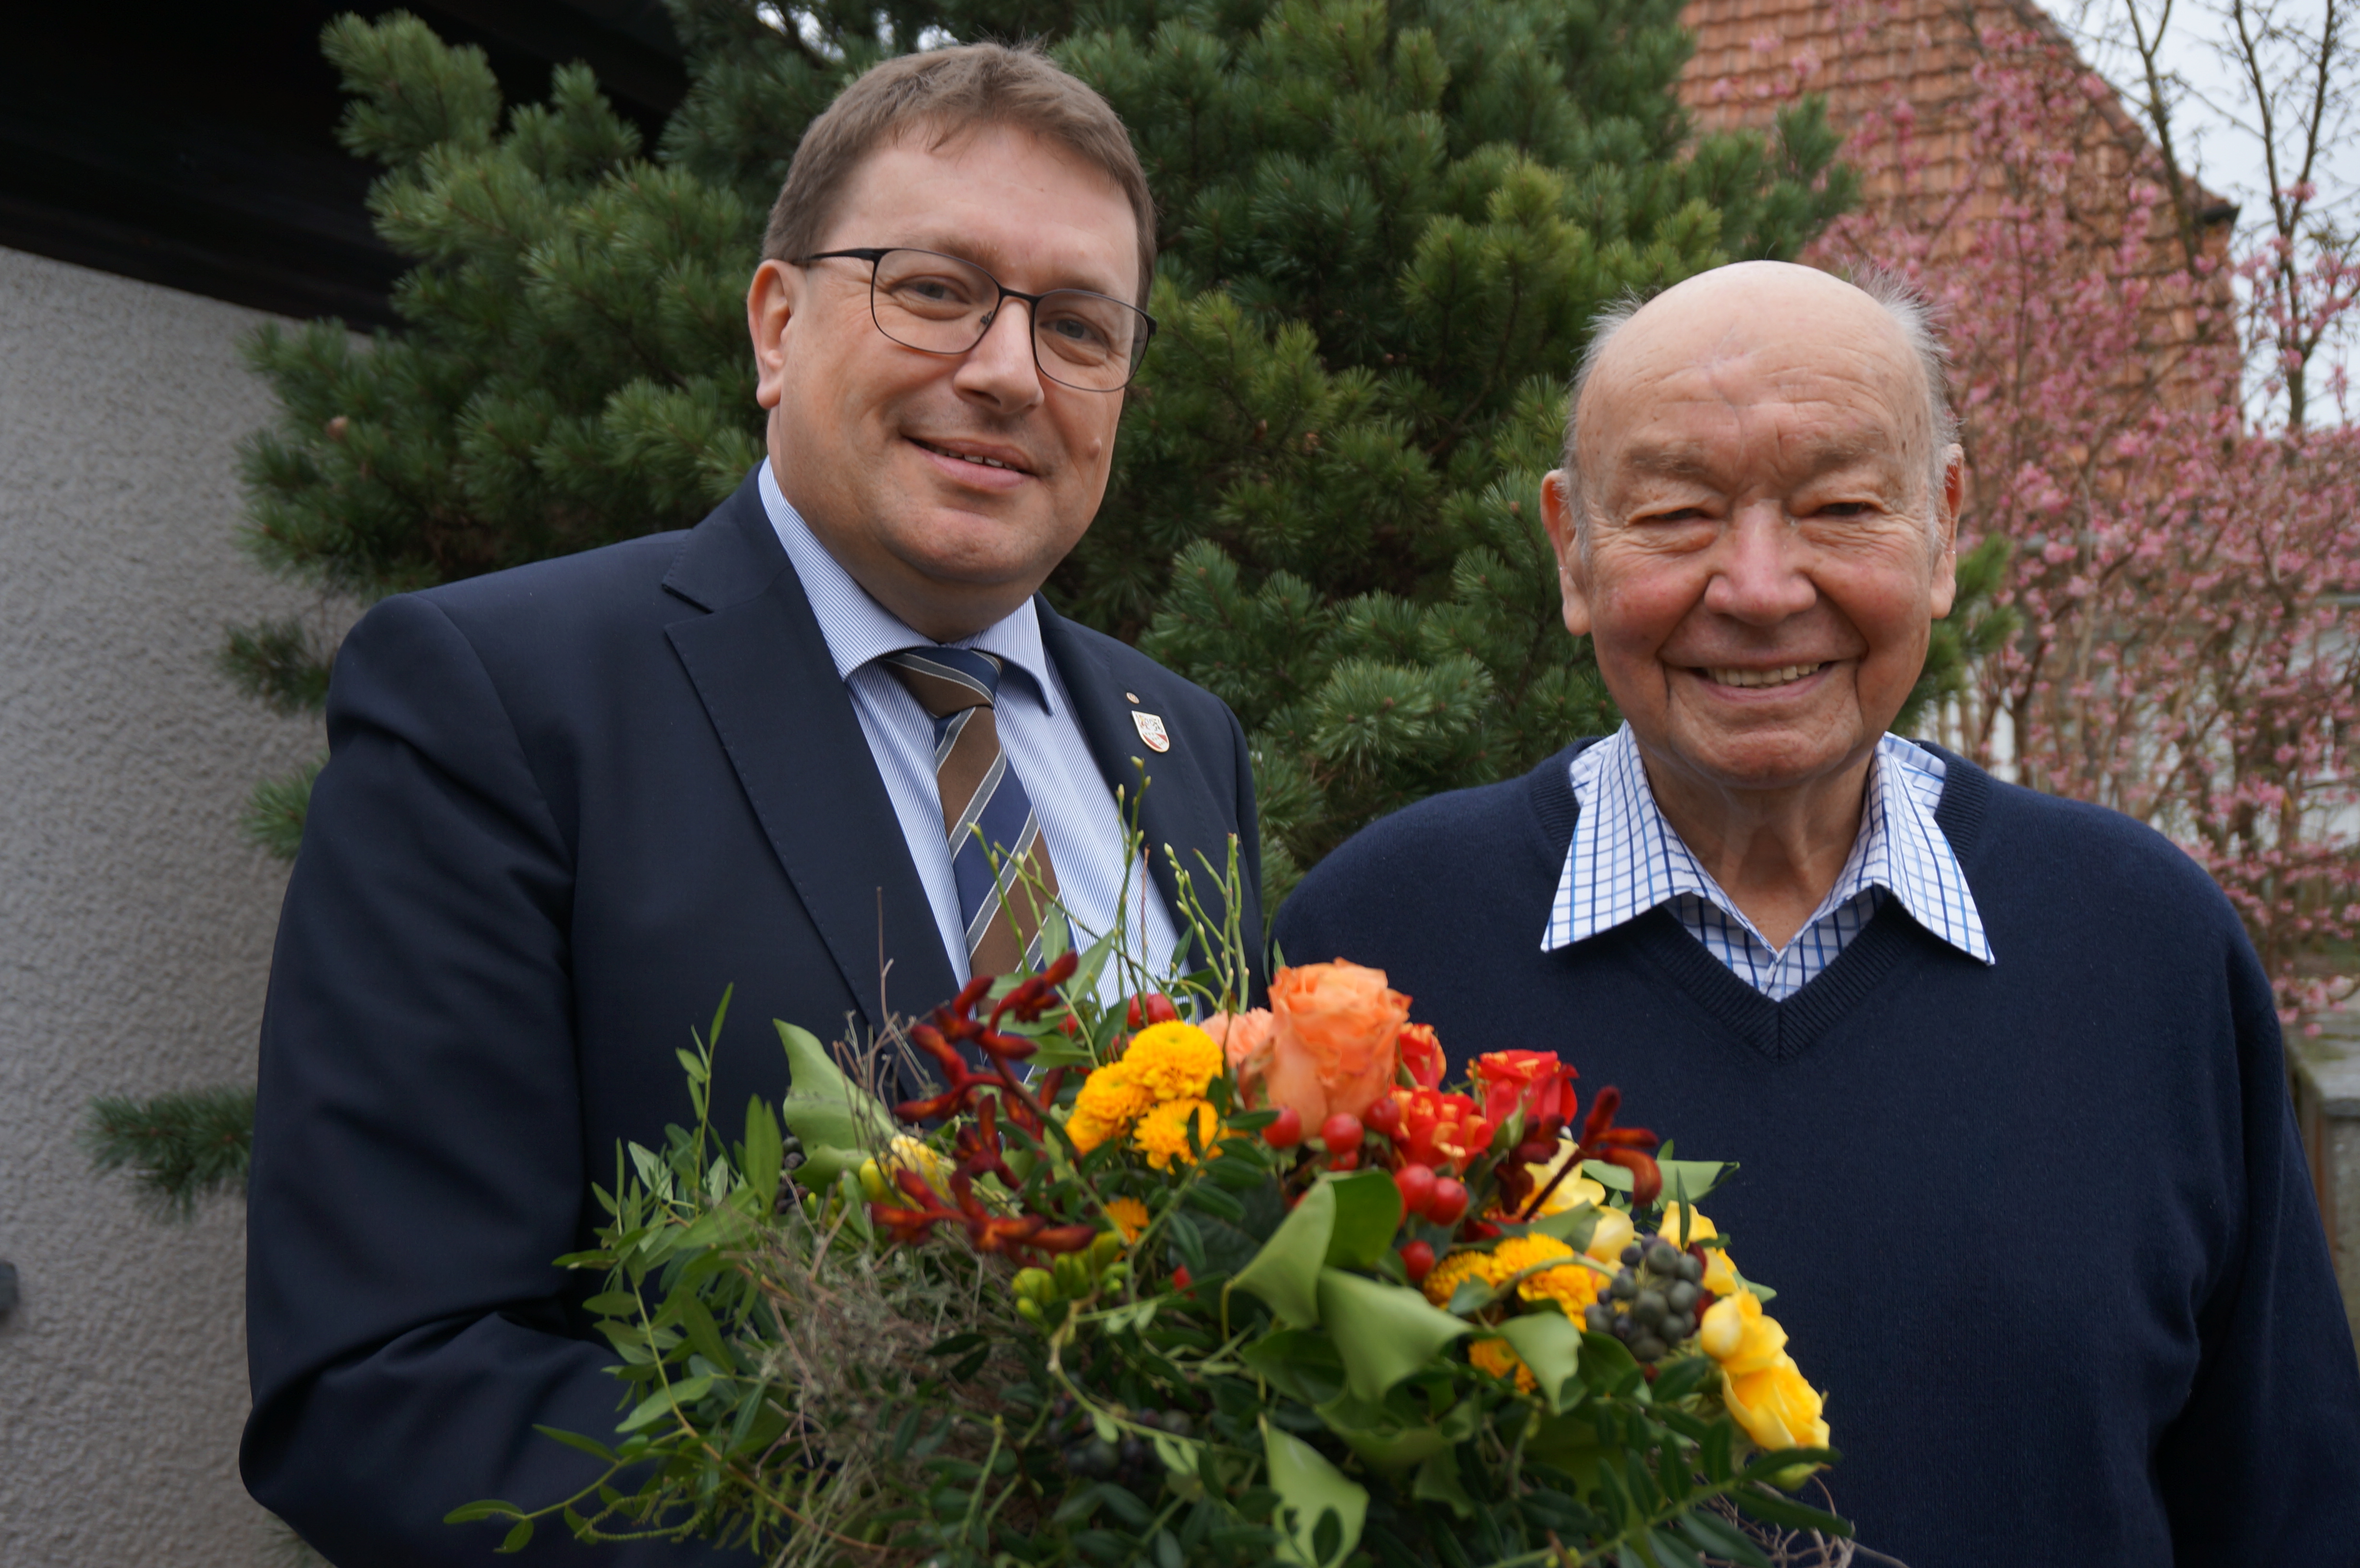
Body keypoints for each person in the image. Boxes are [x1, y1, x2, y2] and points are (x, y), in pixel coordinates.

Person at [241, 45, 1261, 1565]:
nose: (1006, 369)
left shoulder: (1183, 742)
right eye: (935, 289)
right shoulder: (504, 701)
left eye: (1078, 326)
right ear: (778, 325)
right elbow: (388, 1383)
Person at [1276, 261, 2360, 1564]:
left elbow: (2292, 1503)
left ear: (1945, 528)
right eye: (1677, 515)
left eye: (1842, 506)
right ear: (1572, 549)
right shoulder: (1376, 954)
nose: (1760, 588)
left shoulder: (2144, 948)